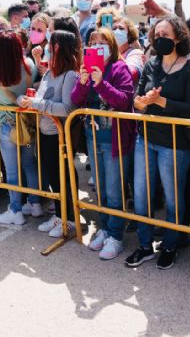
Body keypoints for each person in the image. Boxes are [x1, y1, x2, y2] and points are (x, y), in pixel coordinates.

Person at [124, 15, 190, 270]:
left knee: (173, 199)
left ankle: (170, 246)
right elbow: (137, 99)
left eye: (165, 35)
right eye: (156, 35)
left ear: (178, 37)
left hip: (176, 145)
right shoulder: (151, 64)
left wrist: (161, 102)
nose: (160, 39)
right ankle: (145, 246)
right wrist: (142, 102)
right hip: (145, 138)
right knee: (141, 196)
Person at [71, 28, 135, 260]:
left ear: (112, 45)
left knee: (115, 191)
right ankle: (106, 228)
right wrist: (83, 81)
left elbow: (124, 100)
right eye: (93, 42)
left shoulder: (119, 68)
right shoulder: (87, 68)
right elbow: (75, 99)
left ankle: (116, 236)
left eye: (103, 42)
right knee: (100, 188)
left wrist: (99, 84)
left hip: (114, 139)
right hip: (92, 136)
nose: (98, 46)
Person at [18, 30, 80, 237]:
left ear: (60, 48)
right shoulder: (48, 73)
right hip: (44, 132)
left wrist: (36, 103)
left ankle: (69, 219)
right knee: (53, 176)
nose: (48, 49)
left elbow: (68, 108)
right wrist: (25, 100)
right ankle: (60, 215)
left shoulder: (70, 75)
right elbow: (39, 97)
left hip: (59, 135)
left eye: (52, 45)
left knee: (63, 176)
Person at [0, 30, 41, 225]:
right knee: (29, 163)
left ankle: (15, 210)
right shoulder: (29, 66)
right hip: (27, 123)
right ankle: (35, 204)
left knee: (12, 170)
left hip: (7, 125)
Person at [112, 16, 146, 84]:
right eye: (114, 29)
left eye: (121, 28)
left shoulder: (136, 53)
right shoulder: (109, 54)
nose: (116, 31)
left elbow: (131, 73)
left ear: (129, 35)